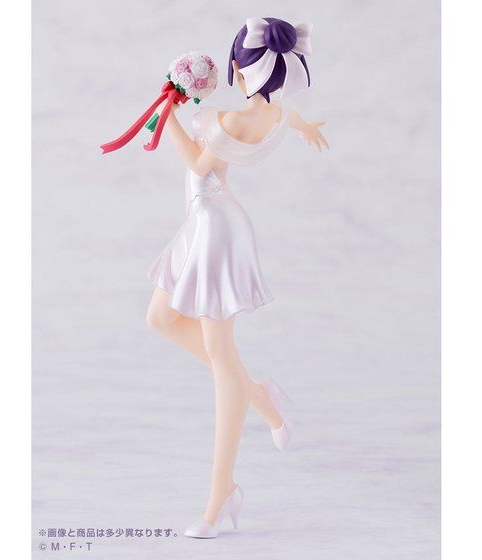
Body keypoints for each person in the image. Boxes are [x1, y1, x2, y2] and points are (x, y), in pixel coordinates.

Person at [146, 16, 329, 539]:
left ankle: (220, 494)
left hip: (216, 229)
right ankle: (261, 397)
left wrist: (168, 116)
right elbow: (292, 118)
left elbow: (198, 166)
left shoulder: (231, 121)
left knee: (220, 357)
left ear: (238, 66)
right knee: (161, 318)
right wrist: (308, 128)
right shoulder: (276, 113)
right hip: (204, 223)